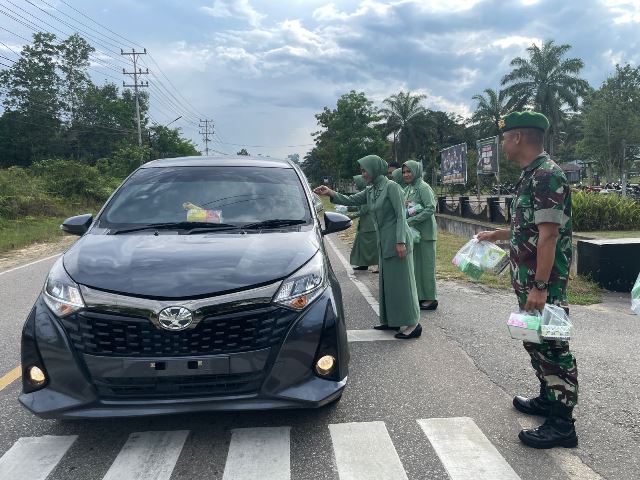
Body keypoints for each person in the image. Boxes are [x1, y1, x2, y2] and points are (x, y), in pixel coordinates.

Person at [477, 111, 578, 449]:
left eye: (505, 137)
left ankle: (563, 424)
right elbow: (531, 227)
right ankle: (548, 399)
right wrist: (498, 233)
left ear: (518, 138)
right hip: (530, 280)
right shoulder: (532, 175)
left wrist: (540, 286)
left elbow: (549, 236)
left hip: (545, 283)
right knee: (535, 341)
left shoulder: (547, 175)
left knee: (554, 347)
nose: (503, 143)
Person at [315, 155, 421, 339]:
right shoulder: (372, 190)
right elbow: (351, 200)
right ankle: (391, 320)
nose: (363, 174)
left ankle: (413, 323)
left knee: (403, 285)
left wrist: (401, 241)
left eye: (365, 170)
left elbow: (400, 216)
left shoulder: (391, 187)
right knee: (388, 284)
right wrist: (330, 193)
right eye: (362, 171)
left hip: (397, 242)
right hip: (383, 242)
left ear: (373, 168)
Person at [402, 160, 438, 310]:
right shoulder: (409, 188)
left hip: (426, 233)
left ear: (416, 171)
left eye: (409, 171)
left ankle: (431, 298)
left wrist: (410, 221)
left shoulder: (423, 187)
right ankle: (420, 295)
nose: (406, 174)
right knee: (417, 266)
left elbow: (431, 208)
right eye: (404, 172)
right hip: (415, 234)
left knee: (427, 266)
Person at [348, 175, 379, 272]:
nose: (355, 185)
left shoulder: (368, 194)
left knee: (371, 248)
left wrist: (350, 216)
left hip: (369, 225)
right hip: (365, 225)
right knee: (361, 245)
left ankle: (376, 265)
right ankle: (363, 264)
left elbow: (364, 210)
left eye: (356, 183)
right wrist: (349, 207)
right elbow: (359, 206)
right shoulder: (364, 193)